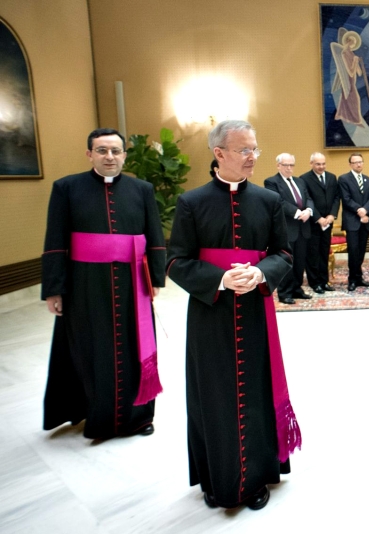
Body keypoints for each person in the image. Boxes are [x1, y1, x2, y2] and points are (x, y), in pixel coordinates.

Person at [167, 120, 301, 510]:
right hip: (211, 315)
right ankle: (217, 478)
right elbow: (175, 261)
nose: (252, 157)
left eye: (255, 149)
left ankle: (258, 474)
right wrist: (222, 279)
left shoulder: (268, 200)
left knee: (256, 391)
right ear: (219, 153)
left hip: (256, 312)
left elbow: (285, 253)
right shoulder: (192, 202)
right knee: (215, 395)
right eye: (244, 150)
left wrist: (260, 273)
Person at [41, 128, 165, 440]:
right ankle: (95, 414)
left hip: (131, 285)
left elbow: (155, 236)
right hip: (85, 286)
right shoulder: (66, 188)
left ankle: (138, 417)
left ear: (124, 154)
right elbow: (55, 241)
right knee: (89, 348)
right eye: (101, 150)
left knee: (135, 346)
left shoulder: (142, 189)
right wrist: (54, 288)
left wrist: (157, 278)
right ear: (90, 154)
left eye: (115, 150)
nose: (109, 156)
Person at [264, 153, 315, 304]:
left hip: (303, 228)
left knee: (300, 262)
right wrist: (298, 213)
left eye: (292, 165)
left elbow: (309, 198)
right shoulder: (271, 182)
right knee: (287, 262)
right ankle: (285, 292)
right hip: (287, 229)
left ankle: (297, 289)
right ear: (278, 165)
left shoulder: (300, 181)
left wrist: (309, 211)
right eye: (286, 165)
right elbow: (278, 201)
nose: (289, 168)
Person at [299, 152, 340, 293]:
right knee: (313, 254)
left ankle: (324, 281)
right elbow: (306, 199)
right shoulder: (304, 179)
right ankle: (314, 283)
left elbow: (336, 198)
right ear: (311, 164)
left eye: (323, 163)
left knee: (324, 252)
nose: (321, 166)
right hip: (313, 224)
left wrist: (332, 215)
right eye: (318, 164)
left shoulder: (331, 177)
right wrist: (318, 218)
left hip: (328, 223)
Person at [338, 152, 369, 291]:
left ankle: (359, 278)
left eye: (360, 162)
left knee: (361, 251)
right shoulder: (343, 179)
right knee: (353, 251)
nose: (359, 164)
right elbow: (346, 199)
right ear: (350, 164)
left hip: (365, 220)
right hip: (352, 221)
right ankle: (352, 279)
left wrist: (365, 210)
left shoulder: (368, 180)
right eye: (355, 162)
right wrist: (359, 210)